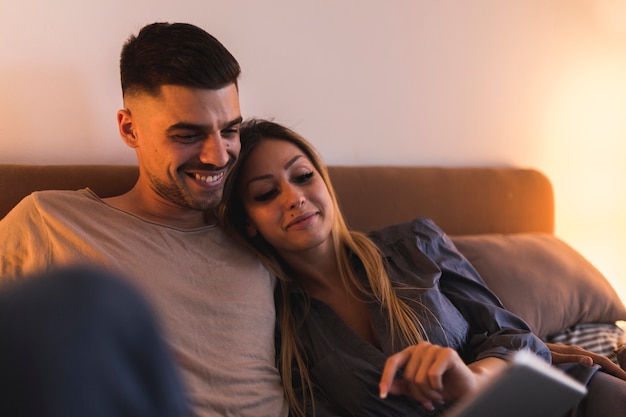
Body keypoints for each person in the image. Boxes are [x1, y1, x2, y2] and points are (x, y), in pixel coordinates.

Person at [220, 118, 626, 417]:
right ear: (248, 224)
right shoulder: (282, 328)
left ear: (324, 181)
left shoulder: (413, 243)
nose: (293, 197)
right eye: (267, 193)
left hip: (551, 405)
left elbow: (514, 336)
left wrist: (472, 380)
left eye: (303, 176)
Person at [0, 23, 287, 417]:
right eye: (188, 135)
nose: (217, 156)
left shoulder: (260, 229)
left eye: (230, 130)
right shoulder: (50, 222)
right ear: (129, 128)